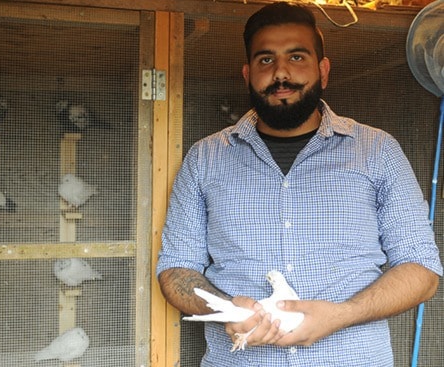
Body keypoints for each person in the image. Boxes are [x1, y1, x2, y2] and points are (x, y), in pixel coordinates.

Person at [156, 2, 443, 366]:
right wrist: (227, 309)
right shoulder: (205, 159)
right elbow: (176, 268)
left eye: (296, 57)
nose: (280, 73)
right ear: (247, 73)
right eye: (265, 60)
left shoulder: (377, 151)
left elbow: (421, 269)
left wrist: (341, 315)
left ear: (323, 70)